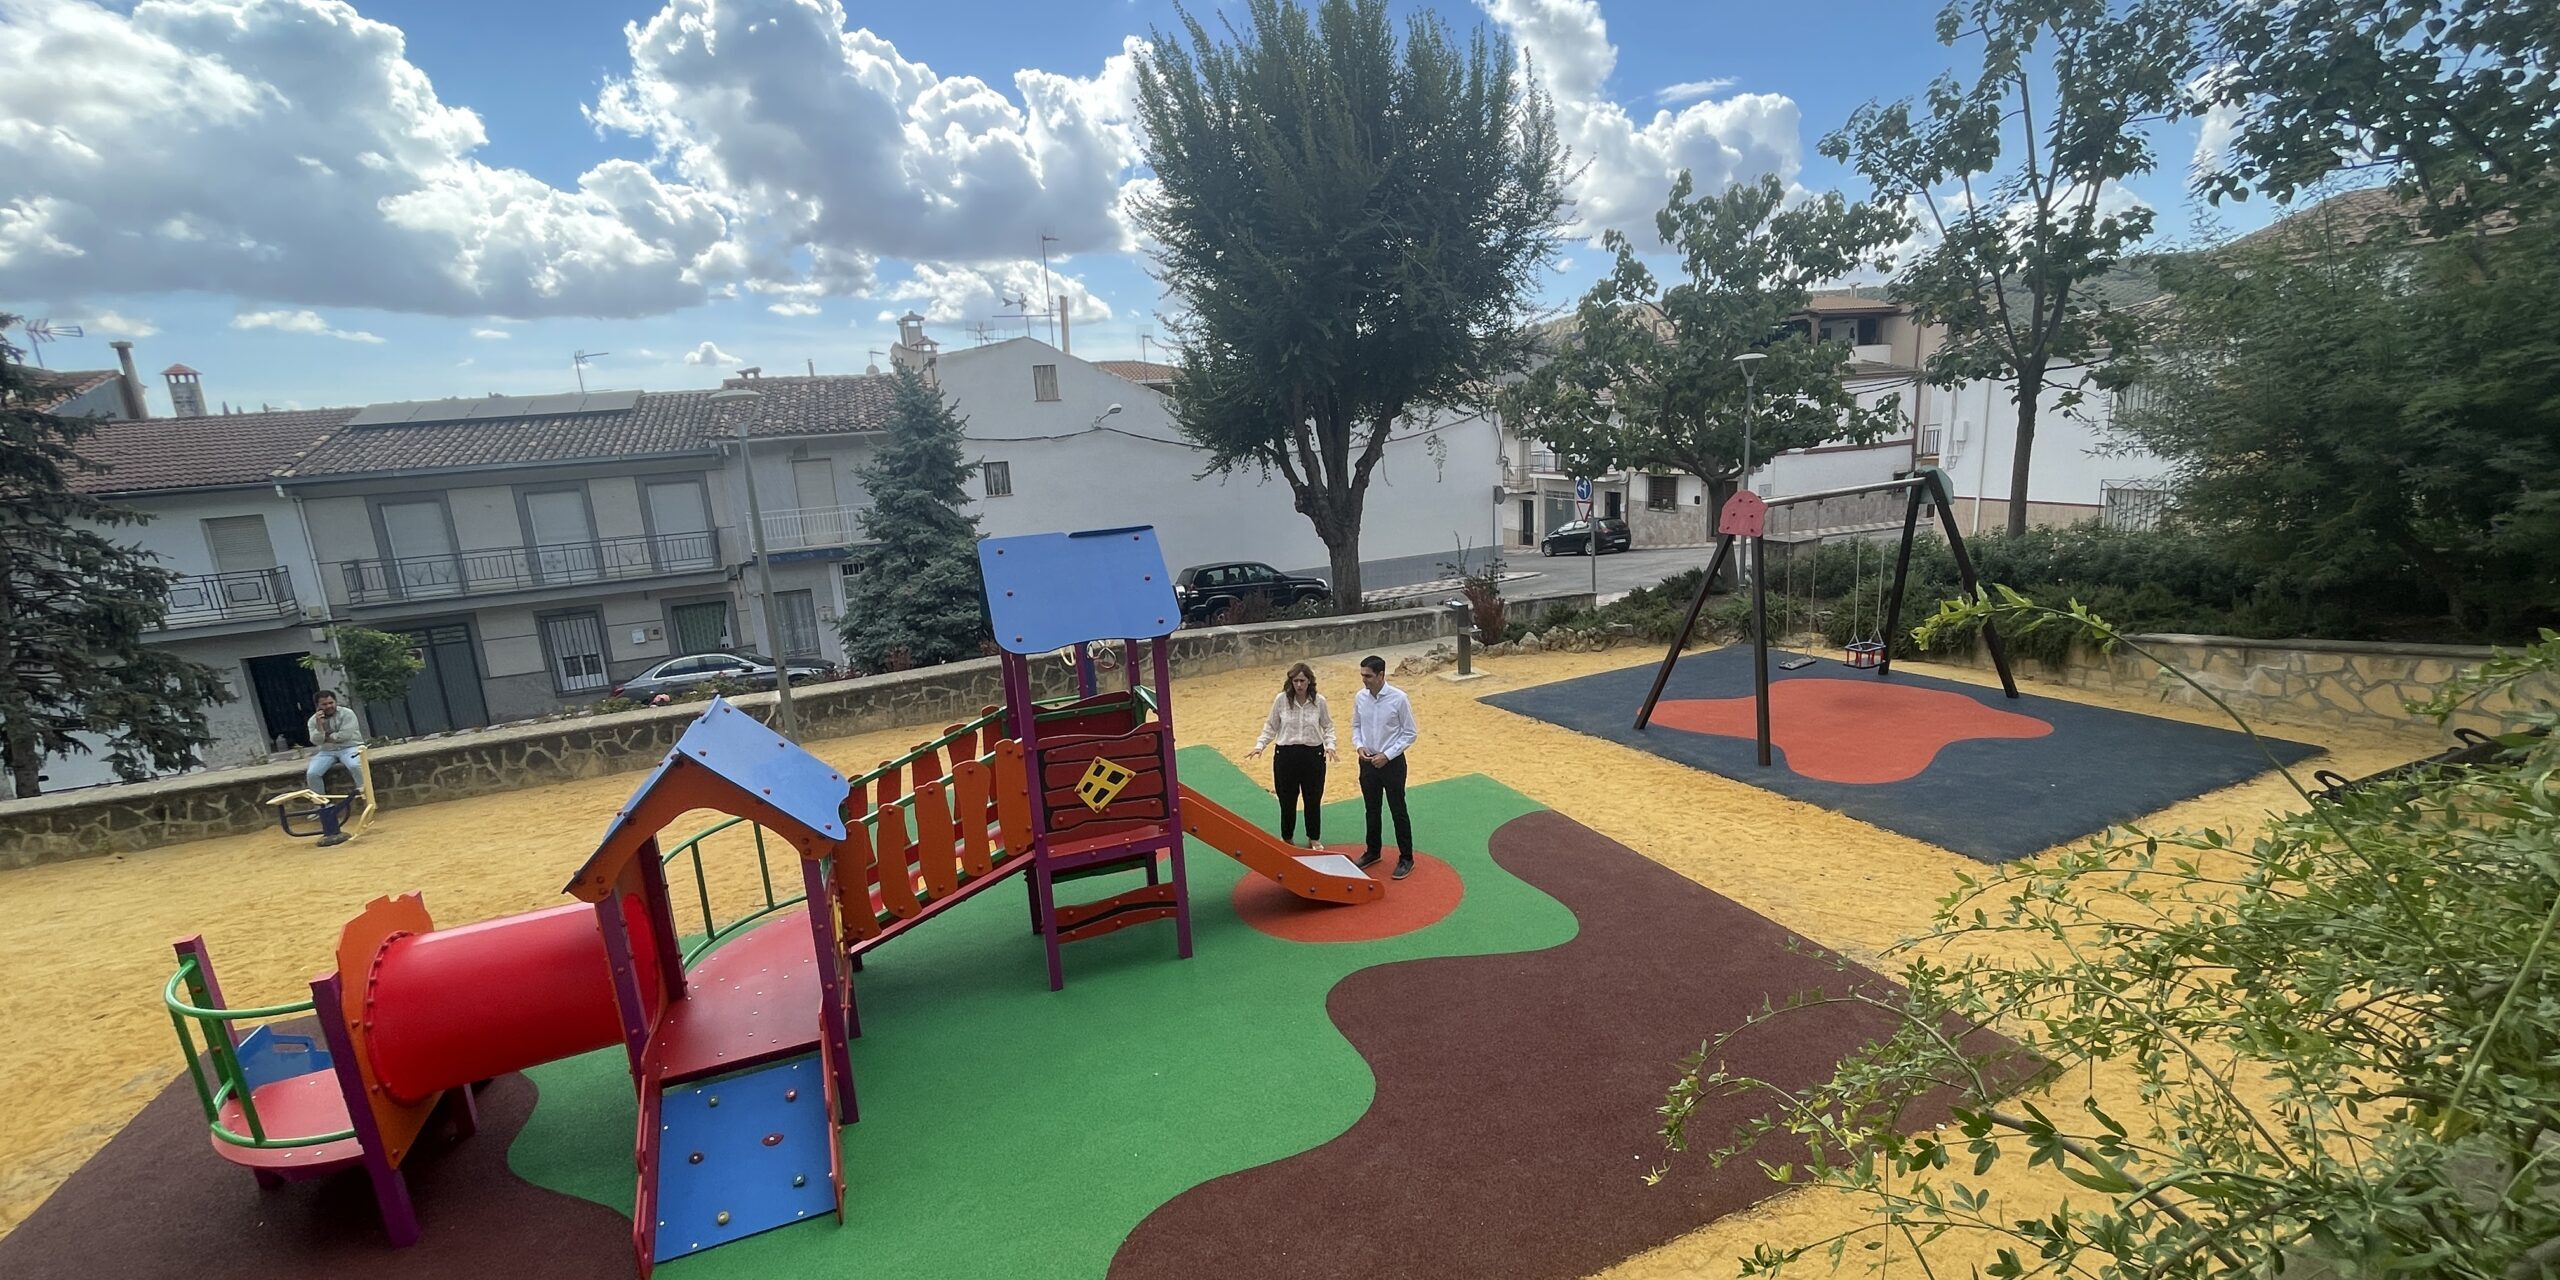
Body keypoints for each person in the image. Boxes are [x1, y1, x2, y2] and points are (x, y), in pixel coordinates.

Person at [1245, 662, 1335, 847]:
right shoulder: (1281, 700)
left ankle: (1314, 837)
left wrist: (1330, 745)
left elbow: (1328, 726)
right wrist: (1260, 745)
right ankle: (1287, 837)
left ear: (1309, 681)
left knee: (1313, 798)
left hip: (1313, 754)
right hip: (1286, 755)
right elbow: (1271, 725)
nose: (1299, 685)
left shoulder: (1320, 701)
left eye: (1302, 680)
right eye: (1295, 681)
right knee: (1287, 799)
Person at [1350, 654, 1419, 880]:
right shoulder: (1360, 697)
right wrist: (1359, 746)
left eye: (1368, 676)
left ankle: (1406, 858)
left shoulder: (1399, 698)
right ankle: (1373, 851)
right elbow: (1356, 726)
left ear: (1381, 675)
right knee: (1371, 809)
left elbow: (1410, 733)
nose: (1364, 680)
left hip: (1392, 764)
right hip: (1367, 762)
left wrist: (1387, 755)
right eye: (1362, 675)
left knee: (1398, 810)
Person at [306, 690, 364, 796]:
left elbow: (344, 736)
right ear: (317, 705)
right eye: (324, 704)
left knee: (355, 766)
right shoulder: (313, 720)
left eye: (331, 703)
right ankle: (322, 803)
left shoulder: (347, 713)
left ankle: (365, 795)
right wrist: (320, 726)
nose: (329, 706)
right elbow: (315, 741)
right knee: (312, 774)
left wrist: (325, 737)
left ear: (335, 701)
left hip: (349, 747)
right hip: (327, 751)